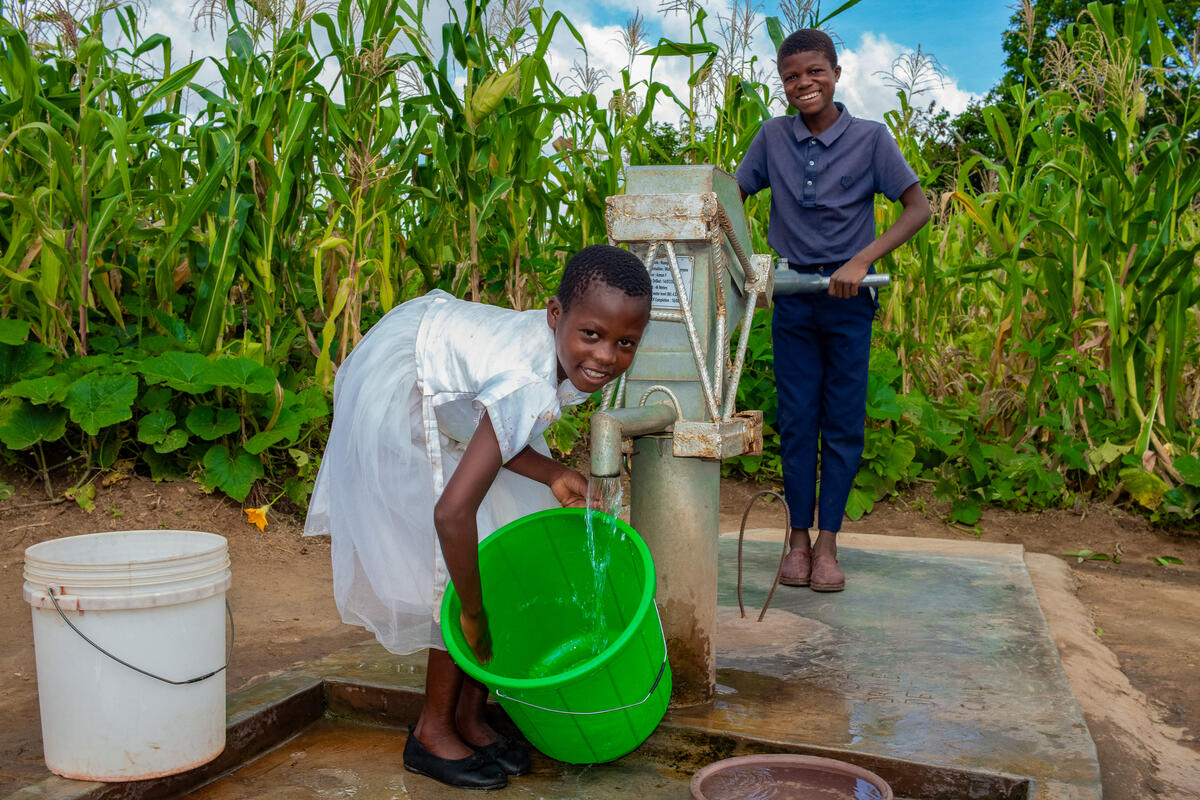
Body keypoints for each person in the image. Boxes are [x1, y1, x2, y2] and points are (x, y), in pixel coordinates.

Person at [304, 245, 653, 789]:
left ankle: (469, 715)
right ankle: (431, 732)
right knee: (460, 570)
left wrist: (551, 473)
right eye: (593, 335)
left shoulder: (561, 357)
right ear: (554, 315)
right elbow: (451, 513)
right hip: (407, 394)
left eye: (624, 342)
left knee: (499, 540)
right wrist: (472, 612)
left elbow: (492, 423)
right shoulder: (528, 380)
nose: (606, 356)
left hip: (448, 386)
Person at [735, 29, 931, 592]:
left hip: (849, 303)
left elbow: (917, 209)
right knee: (797, 423)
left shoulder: (870, 139)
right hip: (792, 301)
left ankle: (828, 546)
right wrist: (748, 264)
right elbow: (730, 197)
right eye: (791, 76)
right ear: (782, 82)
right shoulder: (772, 138)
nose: (804, 84)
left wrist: (860, 260)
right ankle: (796, 541)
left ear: (837, 73)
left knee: (843, 424)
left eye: (815, 72)